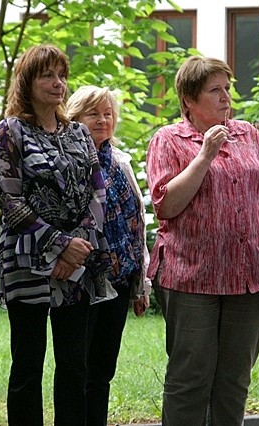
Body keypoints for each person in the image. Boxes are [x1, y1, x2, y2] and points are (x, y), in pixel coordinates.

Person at [145, 55, 259, 425]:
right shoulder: (169, 140)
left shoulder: (248, 135)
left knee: (234, 379)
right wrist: (205, 154)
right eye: (214, 90)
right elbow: (166, 205)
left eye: (227, 88)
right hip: (191, 278)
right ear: (189, 99)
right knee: (190, 378)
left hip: (247, 277)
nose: (225, 97)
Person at [0, 45, 112, 426]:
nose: (58, 83)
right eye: (48, 75)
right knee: (27, 366)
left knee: (74, 366)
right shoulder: (10, 131)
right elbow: (9, 199)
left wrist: (76, 248)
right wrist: (59, 246)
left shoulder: (79, 133)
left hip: (77, 263)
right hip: (26, 260)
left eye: (62, 75)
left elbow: (99, 192)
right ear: (27, 81)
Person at [66, 85, 151, 425]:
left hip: (119, 279)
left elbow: (136, 223)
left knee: (102, 370)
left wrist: (141, 285)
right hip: (80, 280)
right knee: (77, 369)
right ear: (75, 117)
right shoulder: (69, 160)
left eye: (108, 114)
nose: (103, 120)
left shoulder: (120, 162)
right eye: (93, 114)